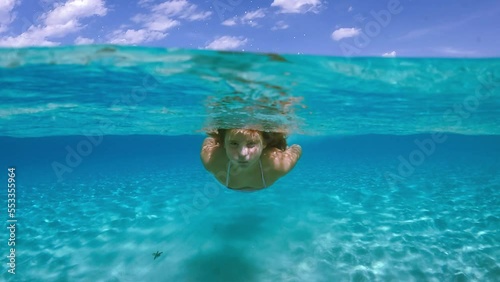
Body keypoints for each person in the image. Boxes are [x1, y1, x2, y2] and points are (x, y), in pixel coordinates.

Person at [200, 128, 302, 191]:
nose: (242, 154)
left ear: (264, 144)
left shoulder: (278, 164)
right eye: (234, 143)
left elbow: (296, 148)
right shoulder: (211, 160)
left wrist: (283, 149)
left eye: (251, 144)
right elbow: (209, 140)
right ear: (224, 144)